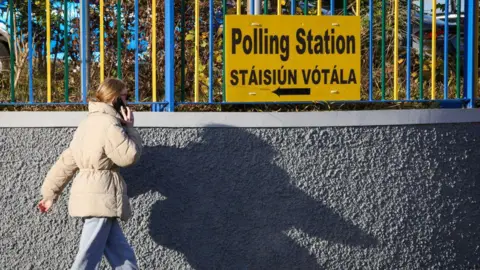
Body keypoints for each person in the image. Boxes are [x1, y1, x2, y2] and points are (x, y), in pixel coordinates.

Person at [37, 78, 143, 270]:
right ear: (115, 98)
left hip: (95, 197)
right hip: (101, 196)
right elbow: (129, 156)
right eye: (126, 96)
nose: (128, 102)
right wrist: (130, 128)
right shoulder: (110, 125)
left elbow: (67, 162)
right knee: (87, 256)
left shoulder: (86, 124)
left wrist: (50, 193)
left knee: (122, 255)